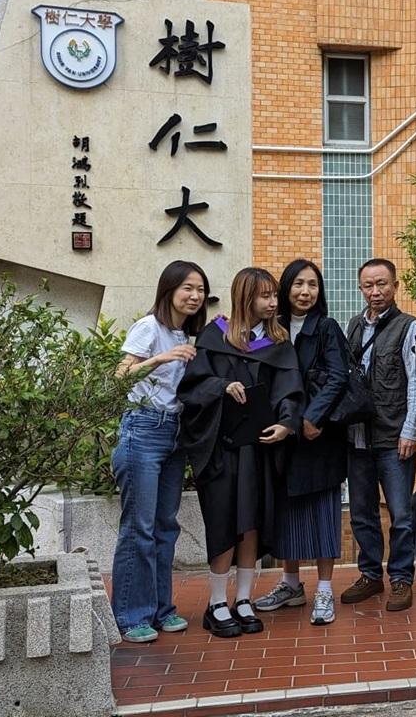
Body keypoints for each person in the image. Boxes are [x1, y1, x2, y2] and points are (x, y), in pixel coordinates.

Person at [176, 267, 304, 638]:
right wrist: (221, 385)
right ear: (245, 297)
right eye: (265, 296)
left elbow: (290, 393)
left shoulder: (278, 344)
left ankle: (243, 598)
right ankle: (217, 602)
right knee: (223, 521)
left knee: (251, 523)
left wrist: (287, 423)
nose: (272, 302)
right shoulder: (214, 337)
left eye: (273, 296)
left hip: (260, 450)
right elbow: (192, 388)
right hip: (222, 450)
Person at [110, 260, 209, 643]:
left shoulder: (188, 333)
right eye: (187, 287)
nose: (195, 296)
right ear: (168, 289)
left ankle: (161, 610)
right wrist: (160, 359)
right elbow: (119, 377)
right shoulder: (148, 328)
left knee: (166, 527)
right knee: (139, 527)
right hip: (142, 429)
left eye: (200, 290)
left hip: (175, 433)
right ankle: (131, 615)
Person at [253, 259, 351, 625]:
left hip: (319, 437)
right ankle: (291, 584)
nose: (305, 292)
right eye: (298, 284)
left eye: (312, 285)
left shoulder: (326, 327)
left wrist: (313, 417)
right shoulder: (270, 329)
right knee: (286, 513)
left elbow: (338, 378)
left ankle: (324, 590)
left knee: (323, 512)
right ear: (285, 289)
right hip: (283, 439)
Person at [340, 258, 416, 612]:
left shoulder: (410, 327)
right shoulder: (353, 326)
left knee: (400, 514)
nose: (375, 292)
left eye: (382, 284)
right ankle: (370, 575)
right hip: (357, 436)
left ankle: (402, 579)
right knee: (362, 512)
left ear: (395, 285)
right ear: (360, 288)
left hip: (394, 437)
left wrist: (411, 430)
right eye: (368, 285)